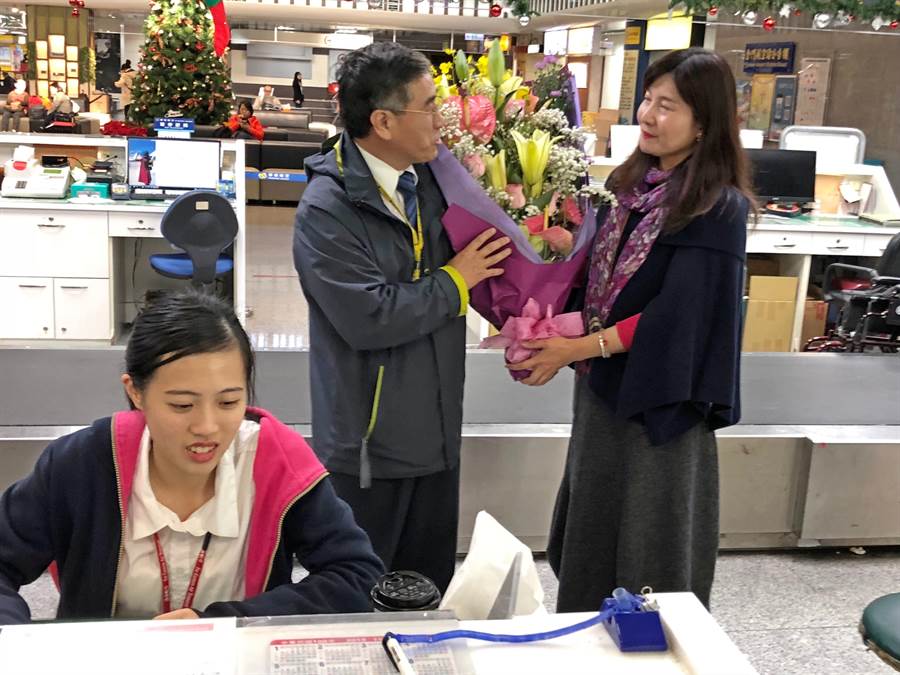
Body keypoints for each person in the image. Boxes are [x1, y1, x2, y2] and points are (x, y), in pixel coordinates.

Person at [509, 48, 753, 611]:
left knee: (651, 555)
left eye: (667, 106)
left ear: (704, 123)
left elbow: (677, 316)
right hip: (603, 393)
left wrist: (574, 346)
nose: (648, 114)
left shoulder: (717, 208)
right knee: (591, 539)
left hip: (660, 407)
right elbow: (609, 287)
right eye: (648, 99)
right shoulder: (629, 192)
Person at [0, 289, 383, 625]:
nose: (207, 426)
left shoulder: (278, 463)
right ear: (135, 392)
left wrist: (226, 621)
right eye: (182, 405)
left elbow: (356, 575)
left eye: (229, 401)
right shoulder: (83, 464)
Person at [293, 42, 510, 594]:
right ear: (383, 121)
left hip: (436, 437)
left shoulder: (434, 183)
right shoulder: (328, 208)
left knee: (425, 588)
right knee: (360, 594)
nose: (444, 120)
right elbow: (369, 318)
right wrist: (456, 280)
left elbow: (485, 258)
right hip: (369, 449)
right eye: (430, 106)